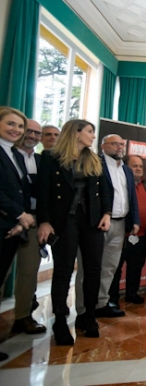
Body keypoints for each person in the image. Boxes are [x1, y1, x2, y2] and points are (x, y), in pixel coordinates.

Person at [37, 119, 112, 345]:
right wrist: (44, 221)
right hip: (64, 221)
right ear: (76, 133)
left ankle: (88, 316)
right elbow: (43, 193)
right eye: (89, 131)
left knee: (93, 270)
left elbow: (106, 190)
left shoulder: (95, 159)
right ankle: (60, 319)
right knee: (63, 270)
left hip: (92, 221)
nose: (92, 136)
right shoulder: (51, 158)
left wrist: (107, 213)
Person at [76, 134, 140, 319]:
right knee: (88, 268)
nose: (120, 147)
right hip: (97, 224)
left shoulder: (127, 170)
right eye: (115, 144)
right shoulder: (94, 164)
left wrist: (135, 220)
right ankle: (83, 309)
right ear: (103, 146)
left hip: (120, 224)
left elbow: (131, 197)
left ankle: (101, 303)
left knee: (109, 267)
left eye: (122, 144)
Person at [0, 107, 36, 360]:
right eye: (11, 124)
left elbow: (21, 191)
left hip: (13, 227)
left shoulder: (14, 154)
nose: (17, 130)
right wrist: (18, 215)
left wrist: (22, 222)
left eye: (19, 126)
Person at [12, 119, 46, 335]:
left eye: (37, 133)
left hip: (33, 223)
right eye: (29, 131)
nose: (33, 136)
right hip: (8, 221)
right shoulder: (7, 155)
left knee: (28, 271)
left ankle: (22, 316)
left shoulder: (42, 161)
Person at [109, 155, 146, 305]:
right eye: (134, 166)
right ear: (126, 167)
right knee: (116, 268)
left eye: (140, 166)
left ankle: (132, 293)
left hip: (142, 235)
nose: (138, 169)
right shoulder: (121, 184)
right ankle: (112, 298)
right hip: (122, 234)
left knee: (136, 267)